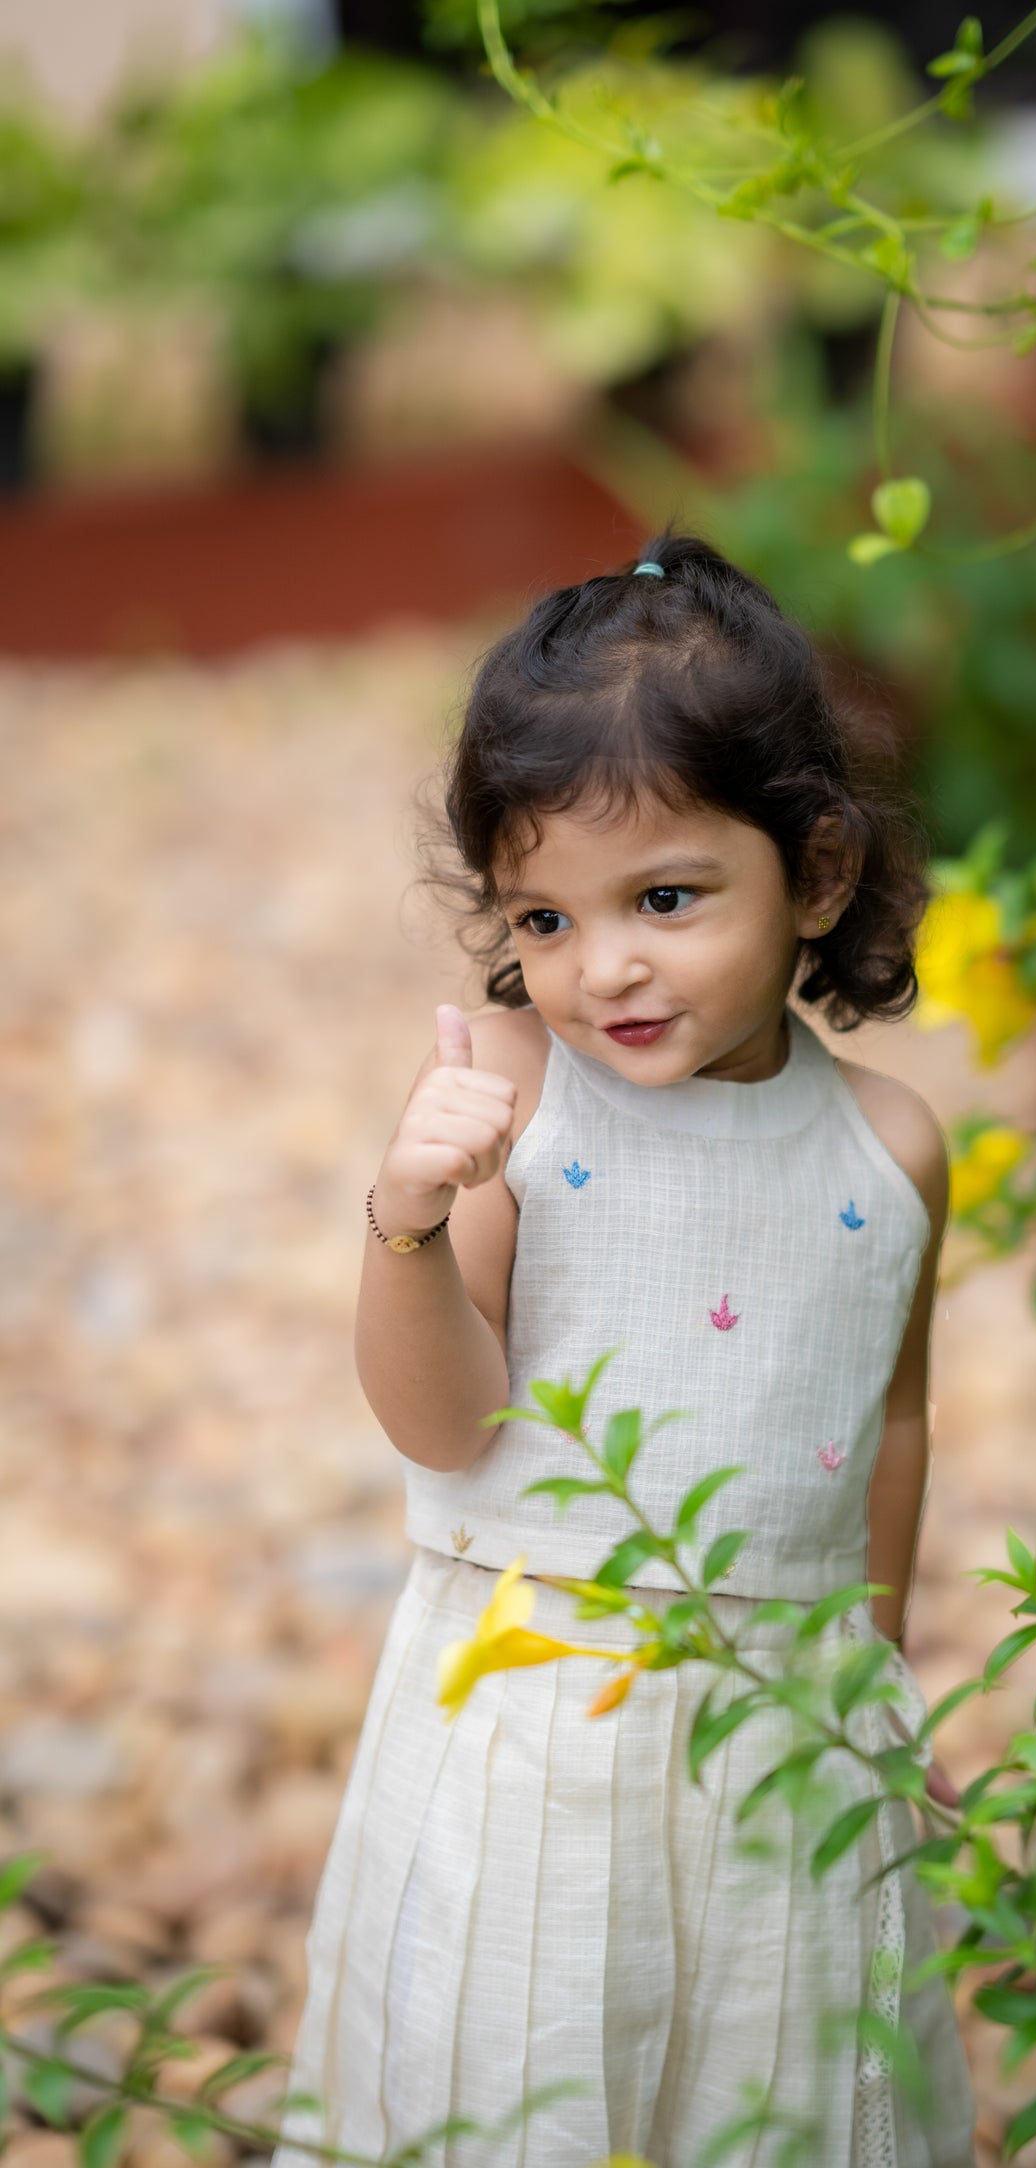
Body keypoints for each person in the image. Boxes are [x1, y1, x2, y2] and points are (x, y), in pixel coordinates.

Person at [272, 533, 977, 2168]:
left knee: (774, 2079)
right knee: (521, 2079)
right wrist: (408, 1216)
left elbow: (892, 1426)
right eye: (545, 915)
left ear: (813, 872)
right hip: (536, 1739)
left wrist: (868, 1670)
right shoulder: (520, 1107)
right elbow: (443, 1427)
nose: (604, 968)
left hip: (780, 1728)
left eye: (664, 898)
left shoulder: (890, 1150)